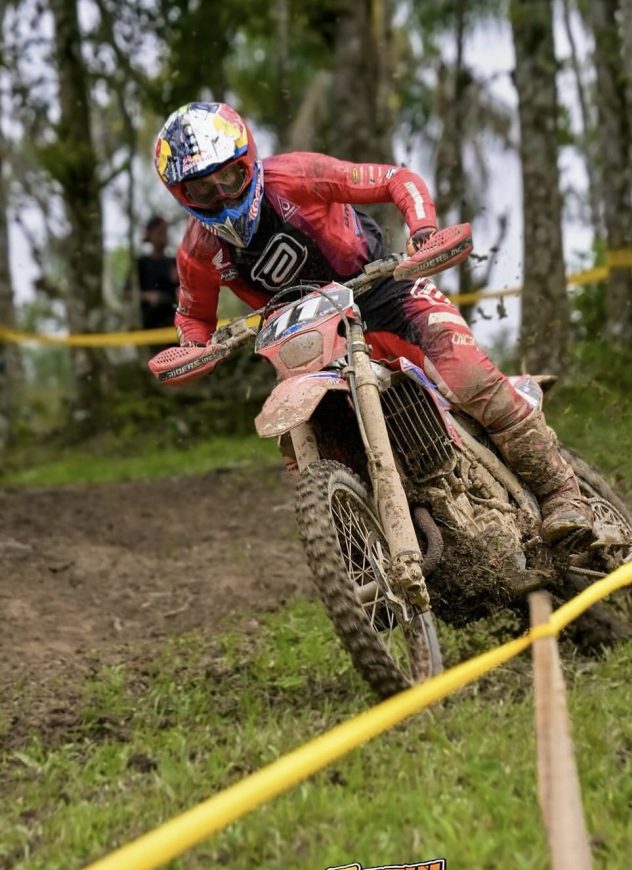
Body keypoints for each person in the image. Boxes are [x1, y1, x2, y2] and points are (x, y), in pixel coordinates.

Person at [149, 101, 592, 544]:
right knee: (304, 437)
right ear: (183, 196)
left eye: (229, 178)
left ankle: (562, 495)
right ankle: (363, 548)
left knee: (472, 379)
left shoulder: (297, 176)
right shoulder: (198, 251)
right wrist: (196, 346)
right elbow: (193, 314)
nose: (223, 197)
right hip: (305, 339)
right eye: (203, 190)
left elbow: (396, 178)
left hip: (383, 295)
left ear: (247, 162)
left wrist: (422, 230)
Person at [136, 215, 179, 333]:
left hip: (173, 323)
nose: (163, 236)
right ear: (150, 234)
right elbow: (129, 294)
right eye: (159, 232)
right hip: (150, 324)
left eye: (165, 232)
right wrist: (148, 296)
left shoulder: (174, 262)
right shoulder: (142, 263)